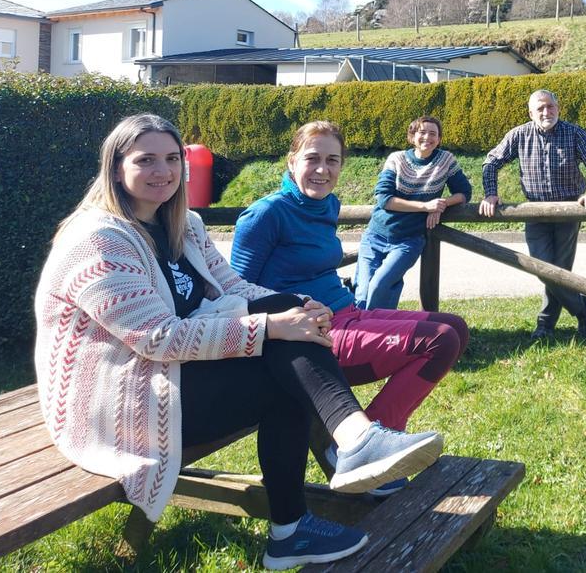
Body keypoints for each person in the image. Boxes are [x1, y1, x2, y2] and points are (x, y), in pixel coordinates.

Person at [35, 114, 444, 570]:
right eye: (145, 160)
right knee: (280, 369)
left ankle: (345, 454)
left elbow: (234, 287)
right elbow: (157, 337)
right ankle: (318, 491)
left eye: (172, 159)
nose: (163, 171)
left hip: (169, 375)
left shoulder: (183, 224)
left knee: (286, 314)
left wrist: (299, 306)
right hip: (116, 402)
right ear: (115, 168)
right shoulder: (99, 241)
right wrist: (271, 327)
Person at [230, 120, 469, 496]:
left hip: (348, 312)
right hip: (311, 336)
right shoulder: (266, 214)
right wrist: (282, 322)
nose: (322, 170)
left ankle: (369, 441)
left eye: (332, 160)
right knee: (439, 340)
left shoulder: (327, 205)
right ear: (292, 161)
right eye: (312, 158)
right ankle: (361, 445)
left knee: (455, 327)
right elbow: (235, 292)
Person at [480, 89, 586, 339]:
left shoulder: (573, 133)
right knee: (542, 269)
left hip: (569, 212)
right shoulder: (519, 134)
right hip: (535, 211)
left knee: (559, 270)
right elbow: (491, 162)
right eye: (539, 108)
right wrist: (490, 194)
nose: (546, 112)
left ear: (558, 108)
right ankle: (582, 307)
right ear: (531, 113)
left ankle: (545, 325)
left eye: (550, 106)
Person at [354, 115, 472, 310]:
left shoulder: (446, 160)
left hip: (408, 240)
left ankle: (377, 326)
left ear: (439, 139)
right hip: (376, 235)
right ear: (412, 136)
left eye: (433, 134)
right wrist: (425, 207)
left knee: (380, 285)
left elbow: (464, 193)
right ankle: (364, 327)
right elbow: (384, 199)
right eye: (422, 132)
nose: (427, 137)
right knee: (362, 292)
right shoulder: (396, 158)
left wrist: (441, 204)